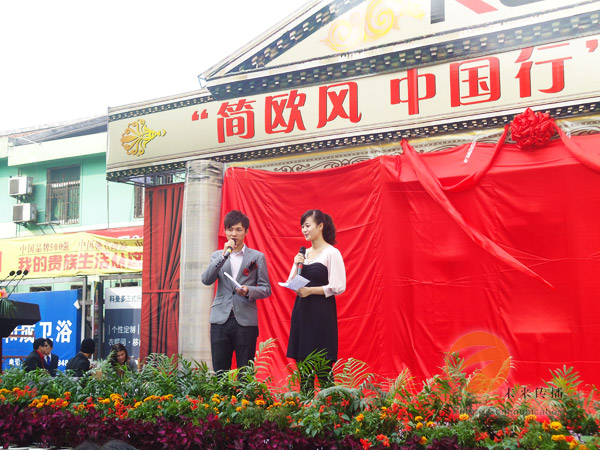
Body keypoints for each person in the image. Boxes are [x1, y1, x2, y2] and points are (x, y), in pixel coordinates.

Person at [201, 210, 271, 373]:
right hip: (220, 319)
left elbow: (266, 289)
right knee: (220, 372)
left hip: (245, 320)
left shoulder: (256, 257)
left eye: (238, 229)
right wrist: (223, 256)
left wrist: (248, 291)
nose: (234, 234)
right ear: (225, 231)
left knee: (245, 372)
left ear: (246, 232)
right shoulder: (217, 256)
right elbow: (206, 279)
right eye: (230, 229)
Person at [286, 209, 346, 390]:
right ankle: (305, 405)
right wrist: (297, 263)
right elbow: (291, 283)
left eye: (307, 225)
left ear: (320, 226)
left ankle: (331, 405)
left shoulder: (331, 253)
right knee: (303, 369)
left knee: (323, 367)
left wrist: (310, 291)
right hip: (302, 312)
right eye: (302, 226)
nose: (304, 230)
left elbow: (338, 286)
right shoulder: (303, 254)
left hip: (321, 314)